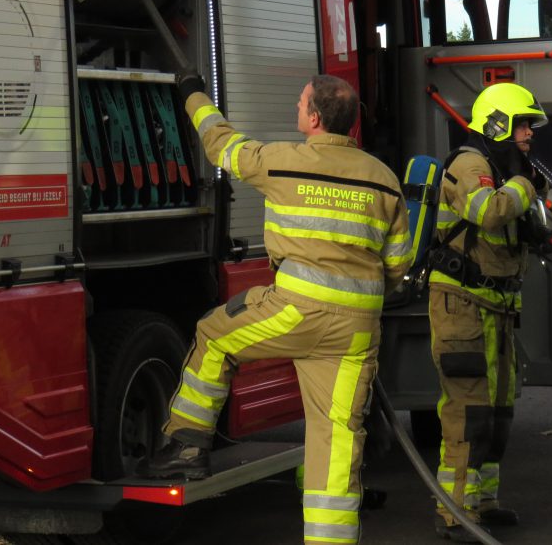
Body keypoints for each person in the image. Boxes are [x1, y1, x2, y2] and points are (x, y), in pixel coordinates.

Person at [138, 73, 413, 545]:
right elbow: (398, 263)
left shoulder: (283, 162)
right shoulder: (385, 180)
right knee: (336, 440)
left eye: (301, 101)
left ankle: (186, 446)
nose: (296, 105)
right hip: (356, 333)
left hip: (295, 312)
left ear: (314, 118)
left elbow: (221, 144)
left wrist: (192, 94)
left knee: (213, 335)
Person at [427, 82, 551, 542]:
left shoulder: (502, 167)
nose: (528, 135)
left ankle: (483, 501)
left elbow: (513, 221)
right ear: (497, 124)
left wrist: (539, 235)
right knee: (467, 410)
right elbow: (489, 212)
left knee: (498, 411)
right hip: (462, 304)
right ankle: (455, 512)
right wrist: (524, 185)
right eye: (522, 125)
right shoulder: (470, 164)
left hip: (496, 306)